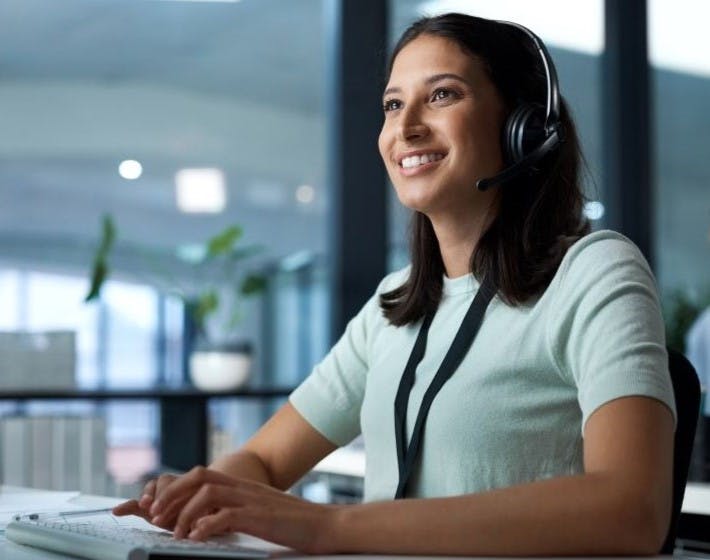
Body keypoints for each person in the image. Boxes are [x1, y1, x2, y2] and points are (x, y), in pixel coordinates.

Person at [114, 13, 676, 555]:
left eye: (442, 95)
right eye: (392, 104)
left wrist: (330, 528)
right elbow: (262, 462)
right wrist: (205, 495)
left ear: (522, 127)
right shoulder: (394, 306)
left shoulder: (595, 272)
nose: (405, 128)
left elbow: (632, 508)